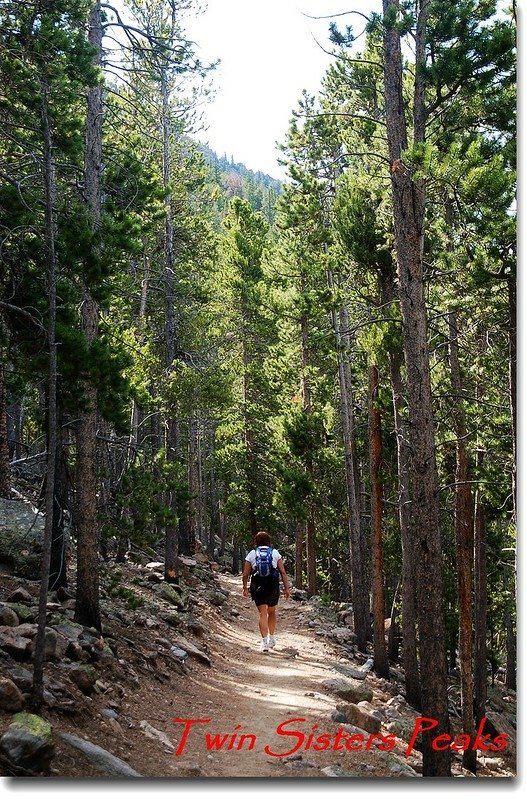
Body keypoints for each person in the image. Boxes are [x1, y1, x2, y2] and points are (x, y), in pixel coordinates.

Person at [242, 531, 291, 652]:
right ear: (269, 541)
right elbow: (283, 572)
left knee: (262, 613)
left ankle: (264, 643)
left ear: (256, 542)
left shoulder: (252, 554)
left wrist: (245, 587)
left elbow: (245, 574)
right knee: (272, 611)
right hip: (272, 584)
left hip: (257, 584)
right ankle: (272, 638)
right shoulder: (275, 553)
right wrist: (286, 588)